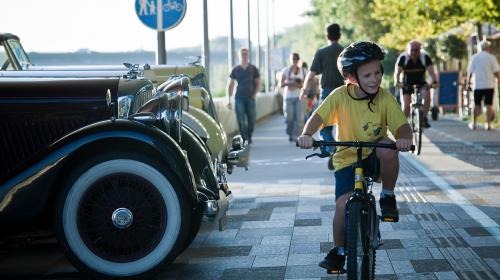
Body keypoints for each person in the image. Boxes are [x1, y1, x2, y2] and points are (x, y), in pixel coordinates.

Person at [297, 41, 412, 271]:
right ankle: (340, 250)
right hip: (347, 158)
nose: (375, 79)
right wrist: (307, 134)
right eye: (368, 74)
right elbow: (318, 118)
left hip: (374, 155)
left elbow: (403, 127)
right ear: (351, 77)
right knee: (342, 205)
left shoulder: (385, 98)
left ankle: (388, 196)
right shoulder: (339, 96)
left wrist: (404, 138)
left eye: (378, 72)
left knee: (387, 147)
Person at [301, 23, 345, 169]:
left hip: (327, 93)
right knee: (344, 125)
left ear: (327, 35)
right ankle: (344, 153)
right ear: (339, 35)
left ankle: (333, 150)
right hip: (346, 92)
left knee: (324, 127)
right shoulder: (345, 51)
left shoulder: (322, 52)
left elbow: (311, 74)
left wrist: (304, 89)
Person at [394, 40, 438, 128]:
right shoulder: (403, 58)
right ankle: (402, 126)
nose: (414, 52)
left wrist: (434, 82)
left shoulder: (425, 57)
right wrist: (397, 82)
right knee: (406, 107)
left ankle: (424, 118)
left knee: (427, 95)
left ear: (420, 50)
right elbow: (397, 73)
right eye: (412, 50)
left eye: (416, 50)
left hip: (421, 83)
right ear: (408, 50)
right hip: (407, 84)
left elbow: (432, 72)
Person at [226, 48, 260, 144]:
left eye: (246, 54)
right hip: (239, 97)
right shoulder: (235, 69)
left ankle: (249, 135)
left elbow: (258, 83)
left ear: (248, 55)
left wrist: (254, 95)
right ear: (239, 56)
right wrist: (228, 99)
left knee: (252, 119)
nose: (244, 55)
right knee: (241, 120)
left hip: (250, 98)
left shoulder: (253, 69)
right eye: (242, 54)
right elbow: (230, 84)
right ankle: (245, 139)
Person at [466, 40, 500, 130]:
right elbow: (496, 71)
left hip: (478, 85)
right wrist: (499, 79)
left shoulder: (474, 57)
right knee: (489, 105)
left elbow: (470, 72)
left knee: (476, 104)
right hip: (489, 85)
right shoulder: (491, 57)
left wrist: (468, 83)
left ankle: (474, 123)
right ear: (488, 48)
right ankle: (488, 124)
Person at [281, 53, 306, 141]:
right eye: (293, 59)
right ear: (290, 60)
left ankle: (297, 136)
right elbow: (281, 84)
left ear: (298, 60)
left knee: (300, 119)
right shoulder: (285, 70)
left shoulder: (303, 71)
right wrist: (289, 82)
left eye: (296, 59)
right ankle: (290, 133)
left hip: (299, 96)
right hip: (288, 97)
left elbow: (306, 85)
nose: (294, 60)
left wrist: (297, 84)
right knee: (289, 119)